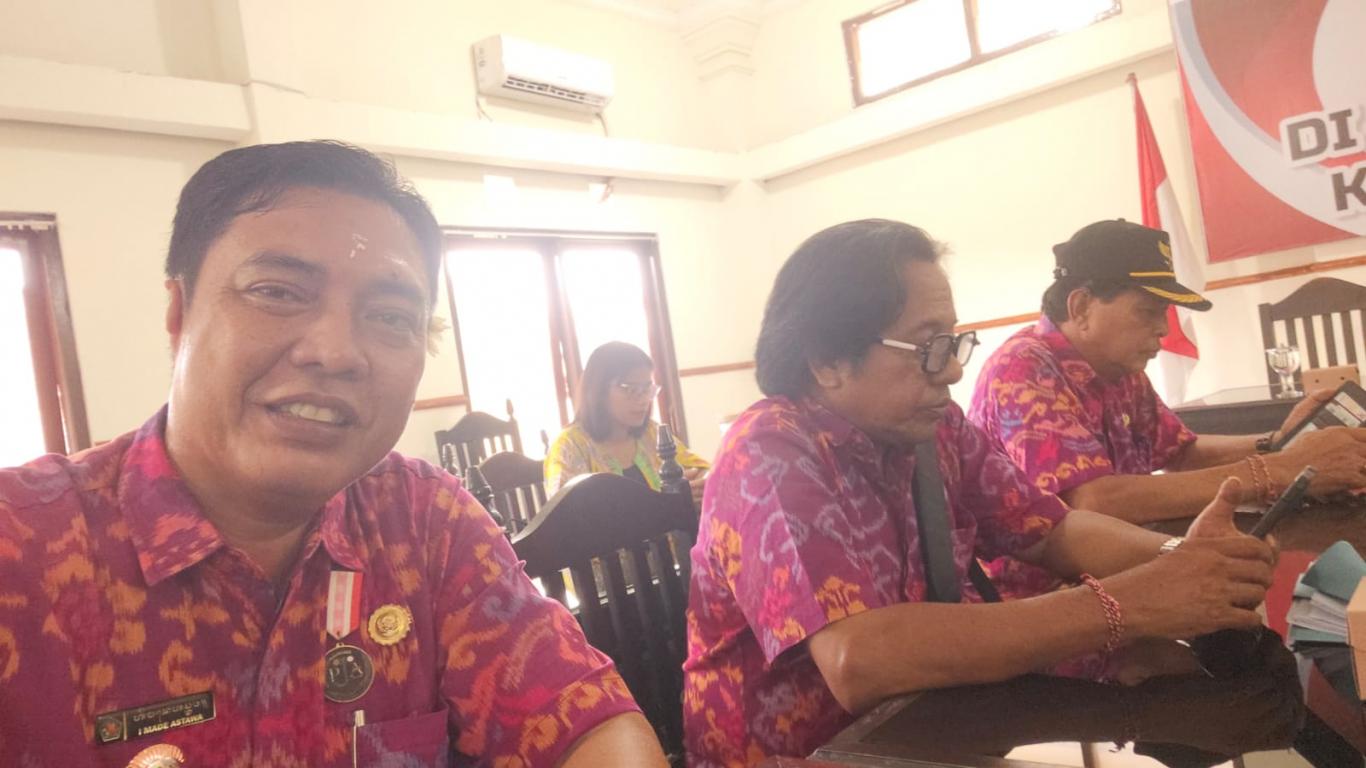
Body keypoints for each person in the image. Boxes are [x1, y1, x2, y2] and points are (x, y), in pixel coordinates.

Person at [0, 141, 666, 768]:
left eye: (390, 316)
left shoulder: (424, 523)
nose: (336, 352)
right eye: (277, 292)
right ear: (178, 314)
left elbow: (585, 723)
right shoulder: (25, 550)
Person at [682, 219, 1280, 768]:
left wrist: (1186, 562)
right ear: (827, 361)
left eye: (953, 342)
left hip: (932, 723)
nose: (953, 370)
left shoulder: (933, 428)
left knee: (1229, 695)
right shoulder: (769, 453)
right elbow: (860, 660)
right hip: (809, 754)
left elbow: (1051, 528)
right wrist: (1127, 605)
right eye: (928, 347)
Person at [967, 219, 1366, 598]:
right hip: (1052, 598)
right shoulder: (1023, 369)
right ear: (1082, 306)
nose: (1163, 328)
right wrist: (1279, 469)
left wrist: (1280, 442)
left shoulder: (1118, 366)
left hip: (1133, 563)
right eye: (1148, 311)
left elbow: (1180, 452)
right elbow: (1096, 501)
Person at [545, 341, 708, 503]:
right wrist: (663, 502)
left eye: (647, 389)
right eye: (630, 389)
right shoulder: (569, 446)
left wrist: (699, 483)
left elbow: (704, 471)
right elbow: (566, 513)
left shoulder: (652, 433)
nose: (643, 400)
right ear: (599, 391)